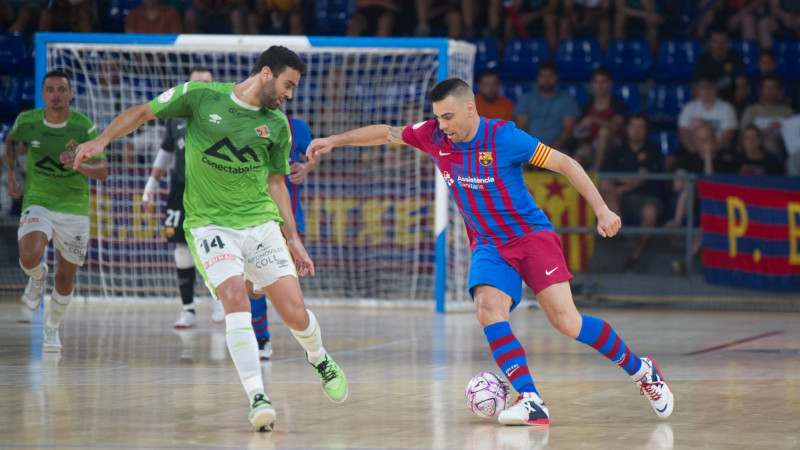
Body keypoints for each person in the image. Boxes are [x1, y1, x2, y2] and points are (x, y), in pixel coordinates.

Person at [306, 77, 674, 426]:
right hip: (488, 245)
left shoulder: (504, 137)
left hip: (531, 238)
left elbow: (564, 163)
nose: (442, 124)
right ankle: (530, 399)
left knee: (567, 322)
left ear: (470, 109)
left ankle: (643, 371)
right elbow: (386, 133)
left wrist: (602, 209)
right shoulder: (433, 136)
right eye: (437, 117)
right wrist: (335, 140)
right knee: (487, 310)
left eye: (448, 116)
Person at [73, 46, 347, 432]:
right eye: (288, 85)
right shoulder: (201, 96)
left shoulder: (278, 126)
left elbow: (276, 183)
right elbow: (143, 113)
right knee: (235, 298)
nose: (289, 94)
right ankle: (257, 396)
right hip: (209, 225)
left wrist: (294, 238)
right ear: (266, 73)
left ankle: (318, 357)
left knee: (295, 314)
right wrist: (103, 140)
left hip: (260, 224)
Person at [5, 70, 109, 351]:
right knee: (29, 256)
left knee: (65, 277)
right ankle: (37, 277)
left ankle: (52, 328)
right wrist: (12, 176)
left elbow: (103, 171)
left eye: (61, 89)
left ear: (71, 94)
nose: (56, 95)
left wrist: (79, 164)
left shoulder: (83, 128)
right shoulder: (27, 122)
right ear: (42, 95)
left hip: (74, 208)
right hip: (39, 201)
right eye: (50, 89)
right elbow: (11, 142)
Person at [142, 67, 223, 329]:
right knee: (181, 247)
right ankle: (188, 309)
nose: (202, 87)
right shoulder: (176, 115)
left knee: (218, 244)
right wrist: (151, 184)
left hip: (213, 190)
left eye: (207, 83)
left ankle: (218, 299)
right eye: (197, 82)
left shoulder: (223, 115)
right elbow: (166, 151)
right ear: (188, 85)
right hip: (181, 188)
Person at [248, 115, 320, 360]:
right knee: (254, 285)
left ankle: (313, 349)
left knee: (282, 281)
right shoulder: (242, 122)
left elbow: (314, 153)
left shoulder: (295, 126)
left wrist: (306, 166)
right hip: (250, 216)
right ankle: (261, 338)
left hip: (286, 217)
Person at [599, 113, 664, 271]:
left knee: (650, 212)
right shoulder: (618, 151)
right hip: (619, 199)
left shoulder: (653, 149)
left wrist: (620, 186)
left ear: (646, 130)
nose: (636, 130)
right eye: (633, 126)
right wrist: (624, 184)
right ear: (627, 129)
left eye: (640, 127)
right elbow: (607, 178)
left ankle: (635, 254)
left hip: (647, 196)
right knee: (606, 185)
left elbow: (641, 178)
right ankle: (621, 231)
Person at [513, 62, 580, 163]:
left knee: (568, 161)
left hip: (558, 149)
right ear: (537, 78)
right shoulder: (526, 99)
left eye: (550, 76)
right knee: (516, 160)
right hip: (530, 149)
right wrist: (533, 150)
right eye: (543, 76)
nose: (546, 80)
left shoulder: (567, 100)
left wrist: (548, 152)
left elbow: (568, 129)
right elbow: (521, 126)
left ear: (556, 78)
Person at [574, 66, 627, 171]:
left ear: (610, 83)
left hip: (614, 146)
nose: (600, 86)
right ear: (592, 84)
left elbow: (615, 126)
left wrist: (594, 120)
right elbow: (580, 132)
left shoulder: (618, 104)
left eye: (603, 82)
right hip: (591, 147)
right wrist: (584, 145)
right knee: (576, 160)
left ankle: (596, 171)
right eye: (597, 82)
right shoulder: (586, 106)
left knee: (604, 132)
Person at [677, 74, 738, 157]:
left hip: (718, 152)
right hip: (693, 151)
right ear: (698, 89)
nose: (707, 91)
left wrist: (710, 151)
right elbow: (684, 134)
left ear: (717, 88)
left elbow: (726, 138)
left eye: (710, 88)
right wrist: (694, 150)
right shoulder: (689, 108)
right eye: (703, 88)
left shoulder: (727, 108)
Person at [740, 74, 795, 161]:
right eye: (766, 87)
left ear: (780, 90)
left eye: (773, 88)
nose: (769, 91)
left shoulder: (788, 113)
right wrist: (768, 129)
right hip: (752, 154)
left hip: (779, 154)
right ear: (762, 90)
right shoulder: (751, 111)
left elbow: (794, 139)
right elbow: (744, 136)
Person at [692, 27, 749, 108]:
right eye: (715, 41)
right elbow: (696, 88)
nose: (719, 45)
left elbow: (742, 85)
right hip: (708, 105)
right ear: (710, 43)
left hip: (731, 104)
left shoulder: (736, 58)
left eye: (722, 42)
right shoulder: (702, 61)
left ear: (728, 43)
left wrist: (733, 107)